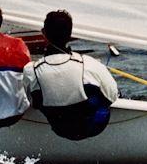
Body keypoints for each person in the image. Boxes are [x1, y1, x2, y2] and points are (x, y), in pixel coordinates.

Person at [22, 10, 118, 141]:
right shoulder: (88, 63)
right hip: (94, 127)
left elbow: (27, 99)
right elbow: (113, 95)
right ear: (70, 34)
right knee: (98, 92)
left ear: (44, 33)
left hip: (59, 129)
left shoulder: (31, 70)